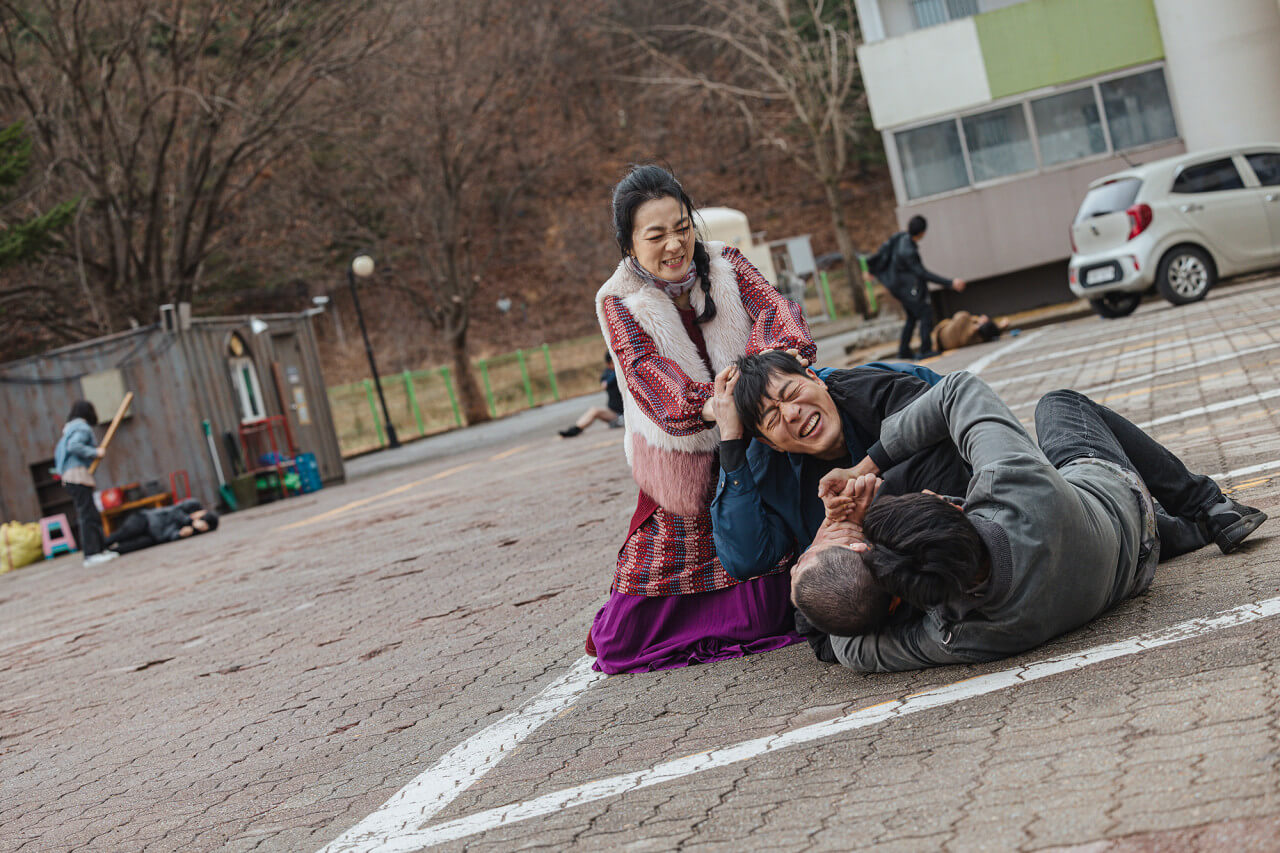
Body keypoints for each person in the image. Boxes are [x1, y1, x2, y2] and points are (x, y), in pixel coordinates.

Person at [803, 371, 1267, 672]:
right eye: (929, 499)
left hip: (1126, 572)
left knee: (1076, 523)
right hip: (1124, 508)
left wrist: (854, 572)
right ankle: (1209, 504)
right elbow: (957, 389)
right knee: (1057, 404)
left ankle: (1187, 530)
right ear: (957, 508)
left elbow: (849, 644)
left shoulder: (954, 636)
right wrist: (865, 469)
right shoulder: (1012, 482)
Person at [587, 164, 817, 674]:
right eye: (656, 236)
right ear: (629, 244)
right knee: (621, 640)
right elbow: (646, 373)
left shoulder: (727, 262)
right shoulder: (617, 300)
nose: (675, 244)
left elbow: (778, 314)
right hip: (683, 459)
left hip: (760, 439)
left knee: (771, 609)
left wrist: (759, 373)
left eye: (682, 228)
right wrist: (711, 404)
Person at [708, 351, 970, 581]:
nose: (791, 413)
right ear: (770, 443)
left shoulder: (880, 389)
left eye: (792, 394)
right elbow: (747, 559)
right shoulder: (767, 463)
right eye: (773, 418)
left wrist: (868, 493)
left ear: (816, 379)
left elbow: (950, 419)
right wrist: (730, 440)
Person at [877, 215, 965, 360]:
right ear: (922, 232)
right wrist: (950, 283)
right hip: (907, 290)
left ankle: (904, 350)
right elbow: (922, 273)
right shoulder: (909, 251)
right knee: (925, 313)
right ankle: (925, 349)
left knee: (911, 318)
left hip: (899, 288)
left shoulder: (902, 239)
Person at [53, 400, 118, 567]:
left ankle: (100, 549)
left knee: (91, 513)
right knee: (87, 515)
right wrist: (95, 452)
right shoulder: (81, 427)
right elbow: (74, 446)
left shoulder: (69, 429)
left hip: (71, 476)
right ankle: (91, 553)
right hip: (77, 475)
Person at [104, 499, 219, 554]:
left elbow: (170, 535)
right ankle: (101, 545)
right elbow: (175, 511)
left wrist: (179, 535)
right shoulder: (193, 505)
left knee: (131, 547)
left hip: (154, 537)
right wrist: (190, 520)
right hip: (147, 519)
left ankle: (110, 552)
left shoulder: (192, 530)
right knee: (126, 533)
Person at [559, 352, 624, 437]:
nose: (616, 365)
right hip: (614, 413)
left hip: (624, 414)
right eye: (613, 362)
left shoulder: (623, 372)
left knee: (596, 411)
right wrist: (616, 371)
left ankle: (576, 429)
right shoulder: (609, 373)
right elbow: (604, 383)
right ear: (608, 364)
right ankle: (576, 428)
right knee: (594, 410)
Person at [931, 310, 1009, 353]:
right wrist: (1001, 326)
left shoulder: (964, 319)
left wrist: (977, 320)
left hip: (939, 339)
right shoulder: (979, 339)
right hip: (942, 343)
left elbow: (960, 316)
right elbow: (992, 331)